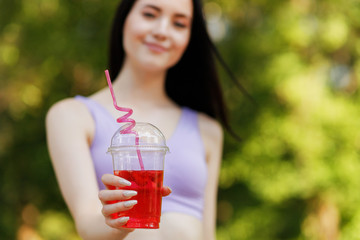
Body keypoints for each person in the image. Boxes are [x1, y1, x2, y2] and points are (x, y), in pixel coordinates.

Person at [46, 0, 240, 239]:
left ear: (189, 38)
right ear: (124, 18)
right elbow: (87, 227)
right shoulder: (72, 116)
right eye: (150, 14)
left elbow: (208, 233)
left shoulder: (207, 129)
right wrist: (117, 221)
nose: (161, 31)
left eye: (179, 23)